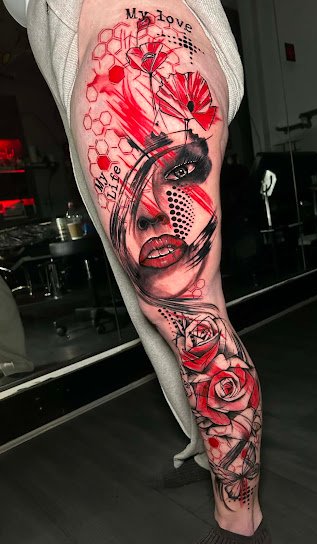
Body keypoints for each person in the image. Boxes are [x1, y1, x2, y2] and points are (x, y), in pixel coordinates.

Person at [4, 1, 271, 542]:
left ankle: (239, 522)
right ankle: (209, 451)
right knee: (167, 307)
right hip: (125, 43)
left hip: (128, 40)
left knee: (184, 303)